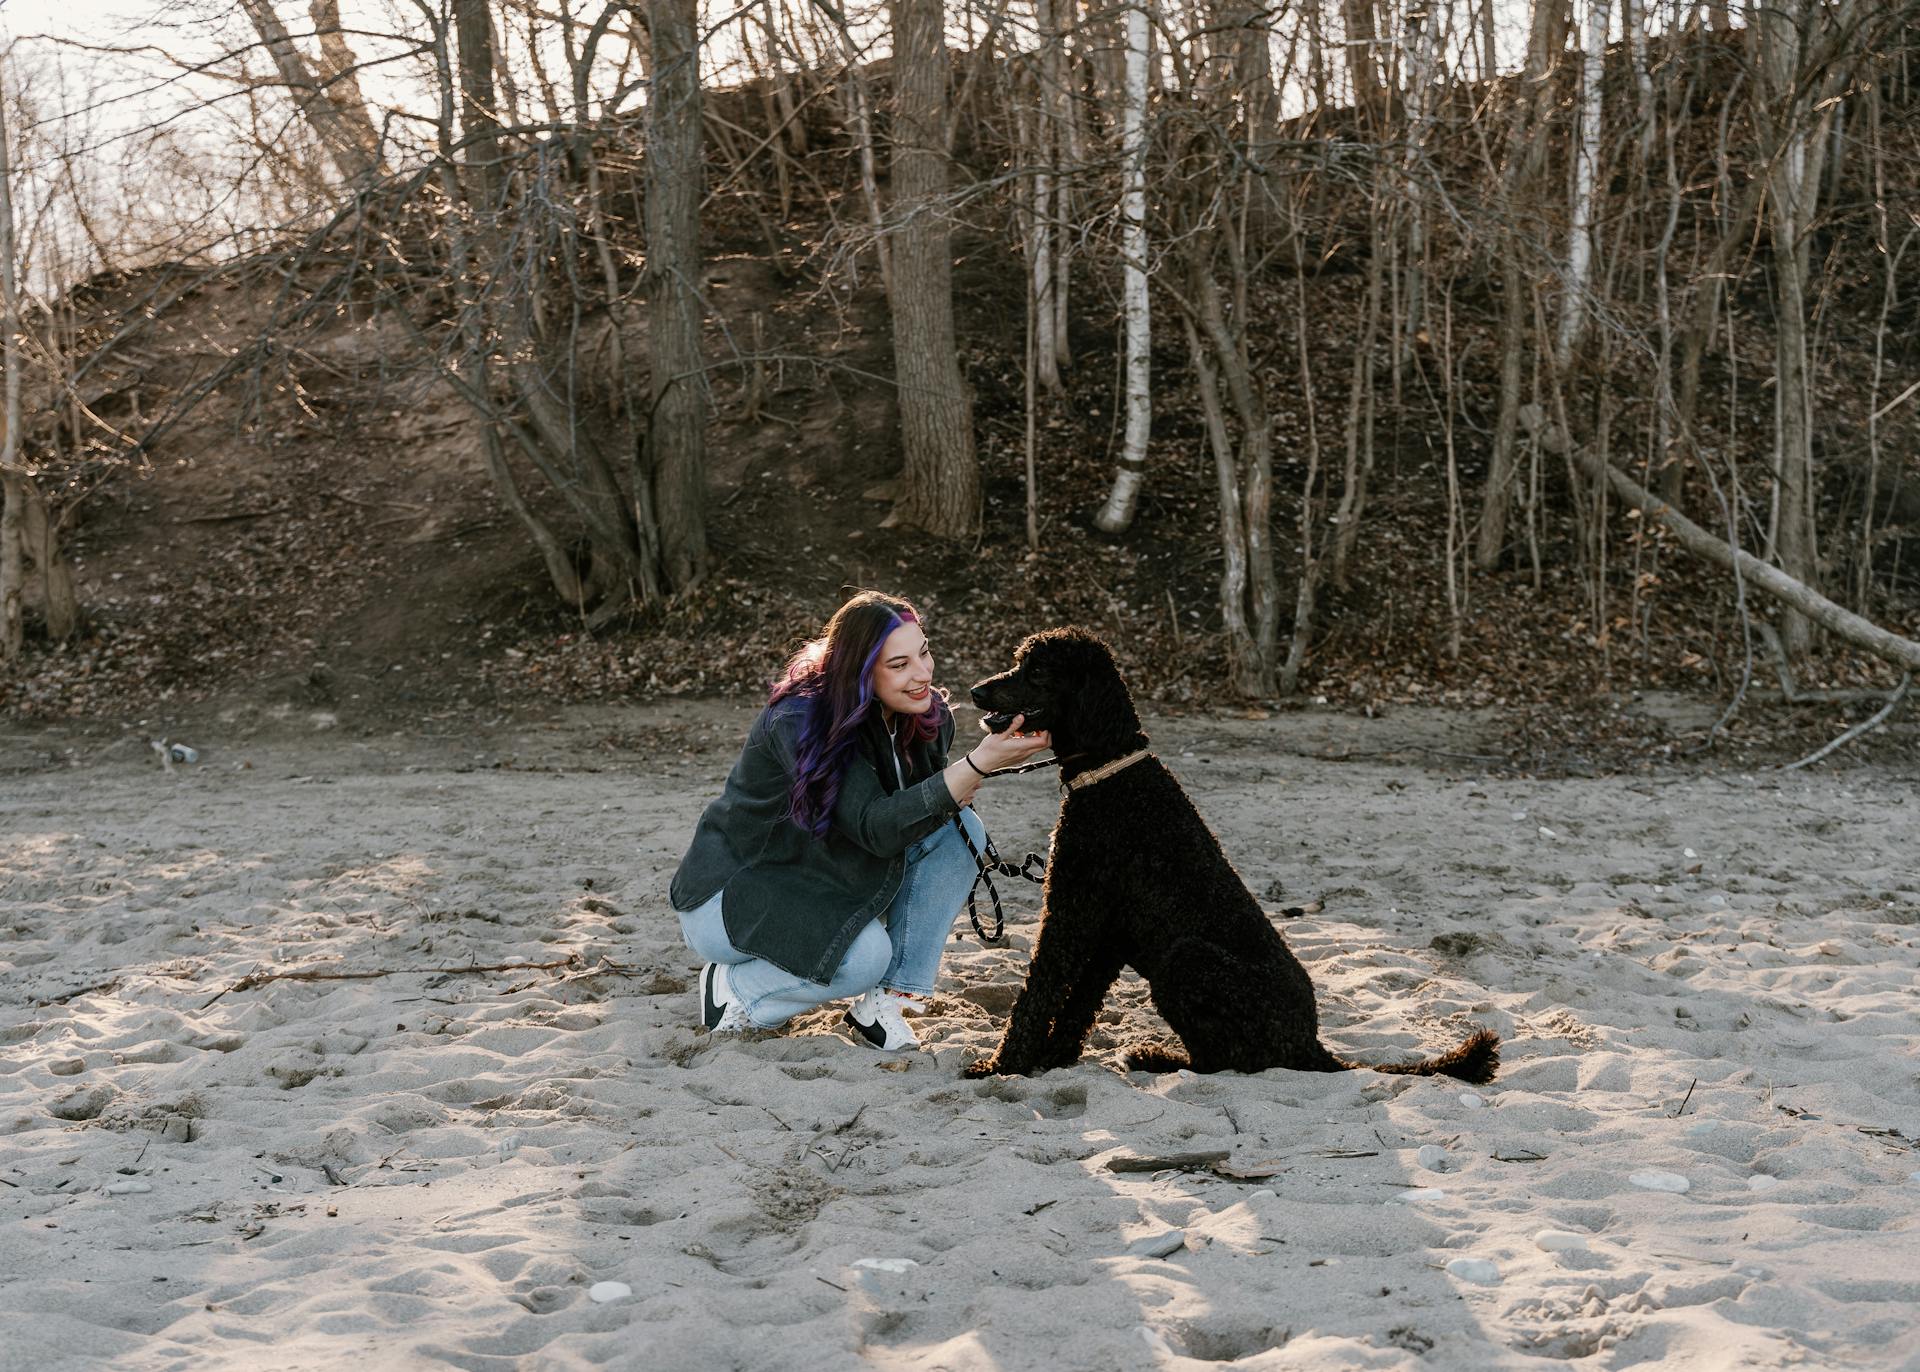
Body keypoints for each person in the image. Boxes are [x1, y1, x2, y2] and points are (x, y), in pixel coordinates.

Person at [669, 591, 1053, 1051]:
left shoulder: (927, 717)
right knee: (864, 956)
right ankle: (736, 992)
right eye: (899, 665)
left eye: (924, 652)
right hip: (736, 893)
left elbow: (915, 823)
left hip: (822, 874)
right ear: (860, 671)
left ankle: (882, 1003)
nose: (922, 674)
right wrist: (975, 766)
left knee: (958, 829)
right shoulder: (800, 718)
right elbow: (875, 827)